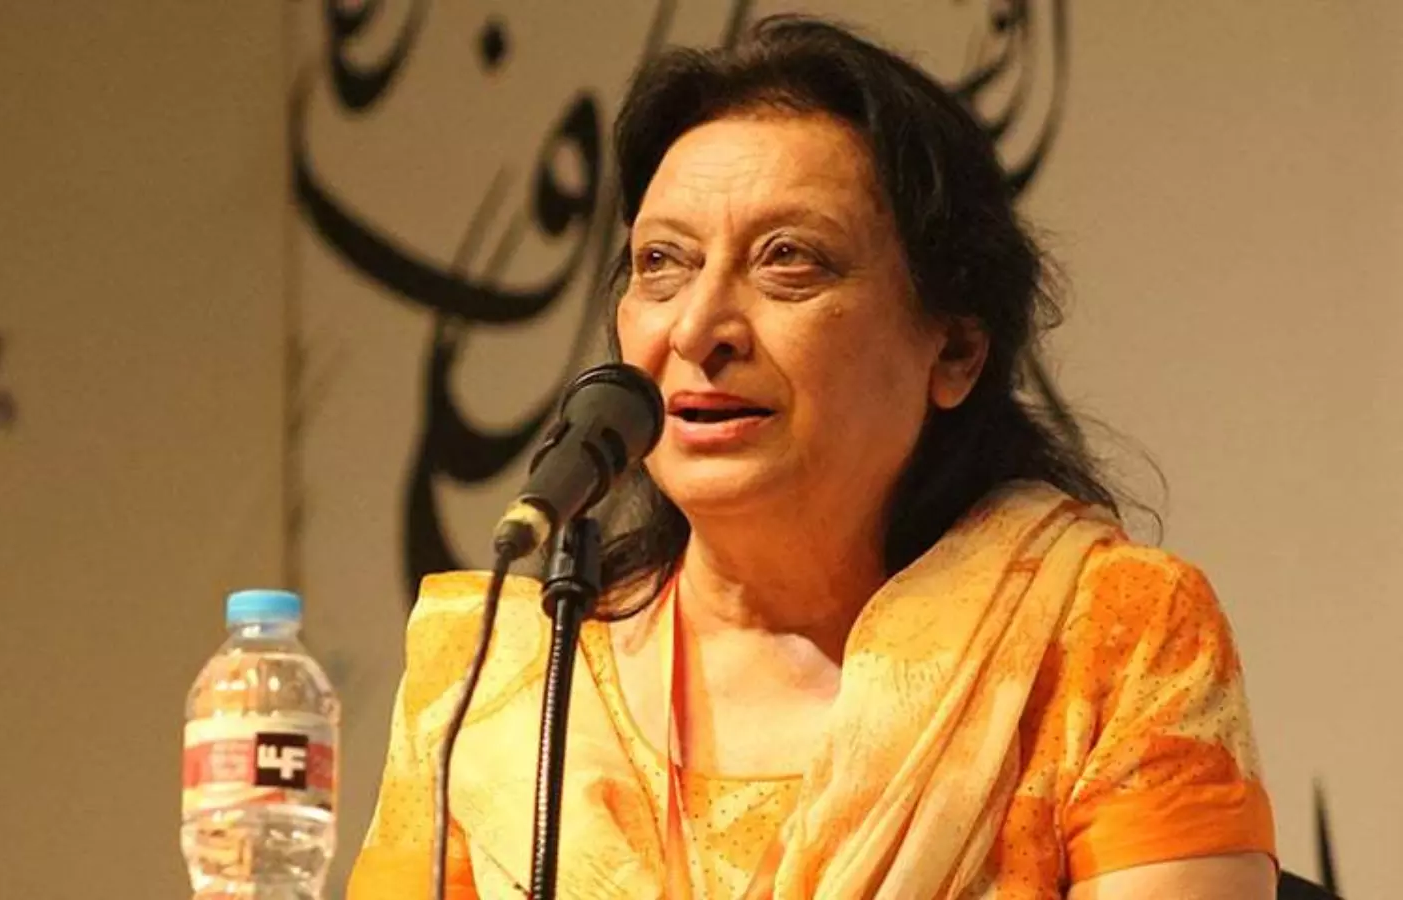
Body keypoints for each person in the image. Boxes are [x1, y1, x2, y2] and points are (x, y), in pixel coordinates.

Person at [349, 16, 1276, 900]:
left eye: (788, 260)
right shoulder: (502, 684)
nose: (699, 328)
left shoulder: (1102, 640)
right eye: (662, 262)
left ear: (955, 349)